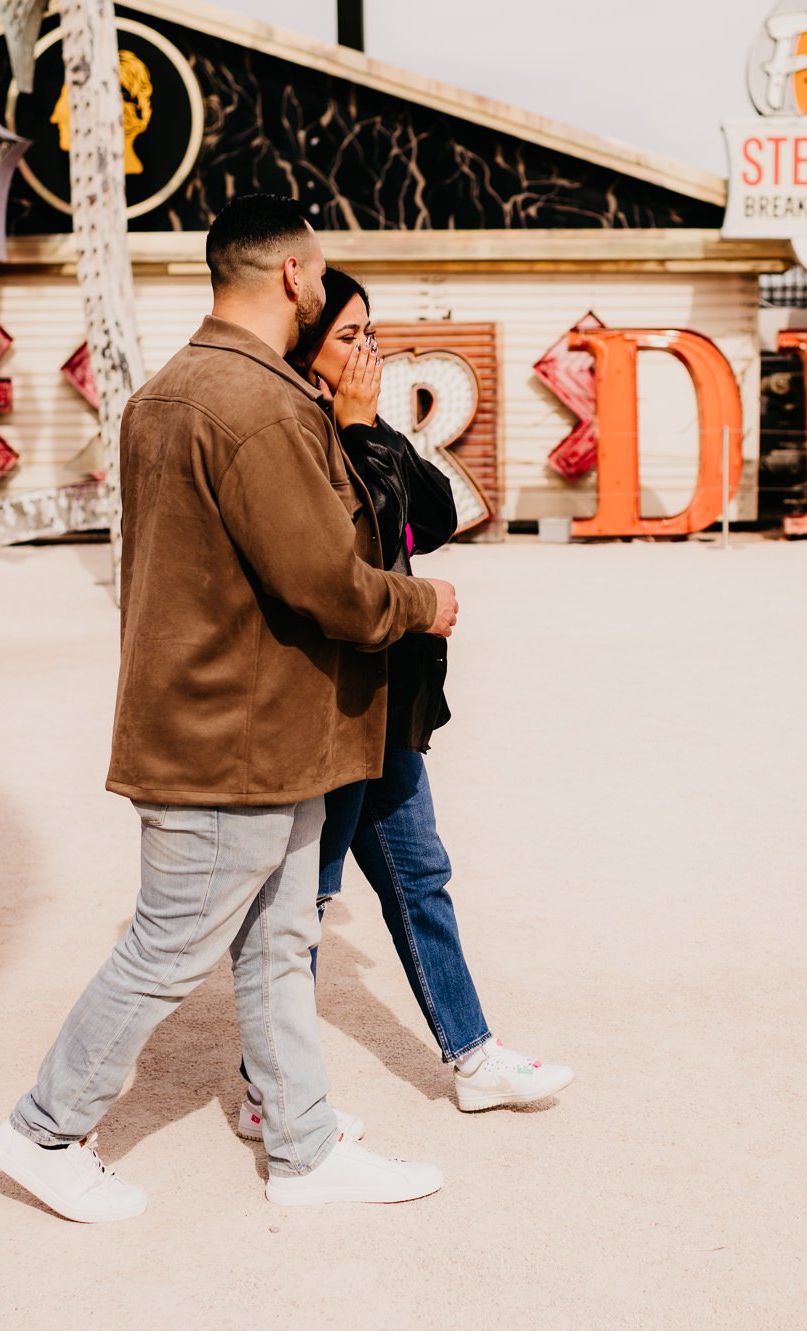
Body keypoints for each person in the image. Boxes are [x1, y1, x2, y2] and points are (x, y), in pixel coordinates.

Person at [0, 197, 459, 1220]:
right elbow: (326, 581)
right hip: (227, 735)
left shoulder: (170, 391)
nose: (327, 289)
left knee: (281, 938)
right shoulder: (256, 405)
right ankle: (44, 1127)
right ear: (291, 275)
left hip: (253, 733)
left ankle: (303, 1146)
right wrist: (425, 601)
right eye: (320, 272)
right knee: (168, 946)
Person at [234, 269, 571, 1146]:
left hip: (390, 700)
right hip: (332, 704)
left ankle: (472, 1057)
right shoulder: (299, 434)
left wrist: (368, 422)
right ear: (306, 350)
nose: (367, 354)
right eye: (349, 338)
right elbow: (367, 543)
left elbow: (433, 510)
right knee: (302, 903)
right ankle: (265, 1085)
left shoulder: (360, 423)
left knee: (421, 875)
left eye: (371, 335)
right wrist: (351, 424)